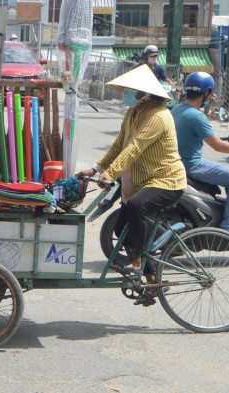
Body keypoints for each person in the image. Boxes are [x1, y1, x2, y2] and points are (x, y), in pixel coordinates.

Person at [77, 65, 187, 284]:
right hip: (144, 180)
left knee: (137, 206)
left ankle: (137, 257)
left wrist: (111, 173)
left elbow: (135, 147)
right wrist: (97, 169)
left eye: (129, 89)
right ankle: (152, 276)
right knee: (120, 226)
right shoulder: (133, 112)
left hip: (167, 179)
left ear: (143, 91)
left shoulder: (159, 115)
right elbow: (119, 145)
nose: (126, 93)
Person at [172, 72, 229, 239]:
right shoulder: (196, 116)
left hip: (178, 163)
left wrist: (208, 107)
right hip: (192, 165)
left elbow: (198, 127)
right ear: (206, 92)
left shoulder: (178, 109)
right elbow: (218, 146)